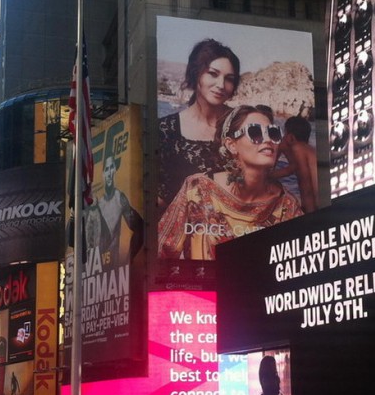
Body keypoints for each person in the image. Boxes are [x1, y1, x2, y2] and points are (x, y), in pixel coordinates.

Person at [158, 105, 303, 260]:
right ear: (231, 145)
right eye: (255, 132)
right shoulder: (198, 189)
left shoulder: (287, 206)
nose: (268, 140)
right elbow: (161, 252)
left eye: (273, 133)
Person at [157, 38, 242, 210]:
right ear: (196, 73)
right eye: (213, 74)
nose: (221, 85)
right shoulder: (165, 129)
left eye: (229, 79)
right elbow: (159, 199)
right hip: (183, 231)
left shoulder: (241, 125)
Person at [84, 153, 144, 271]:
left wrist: (128, 260)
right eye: (107, 169)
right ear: (103, 174)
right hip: (96, 272)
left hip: (113, 271)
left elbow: (141, 228)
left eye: (112, 168)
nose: (110, 173)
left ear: (115, 170)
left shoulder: (119, 199)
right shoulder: (98, 205)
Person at [270, 115, 319, 213]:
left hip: (315, 206)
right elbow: (285, 171)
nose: (283, 137)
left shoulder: (298, 149)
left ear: (291, 137)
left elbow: (307, 189)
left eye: (285, 133)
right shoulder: (308, 150)